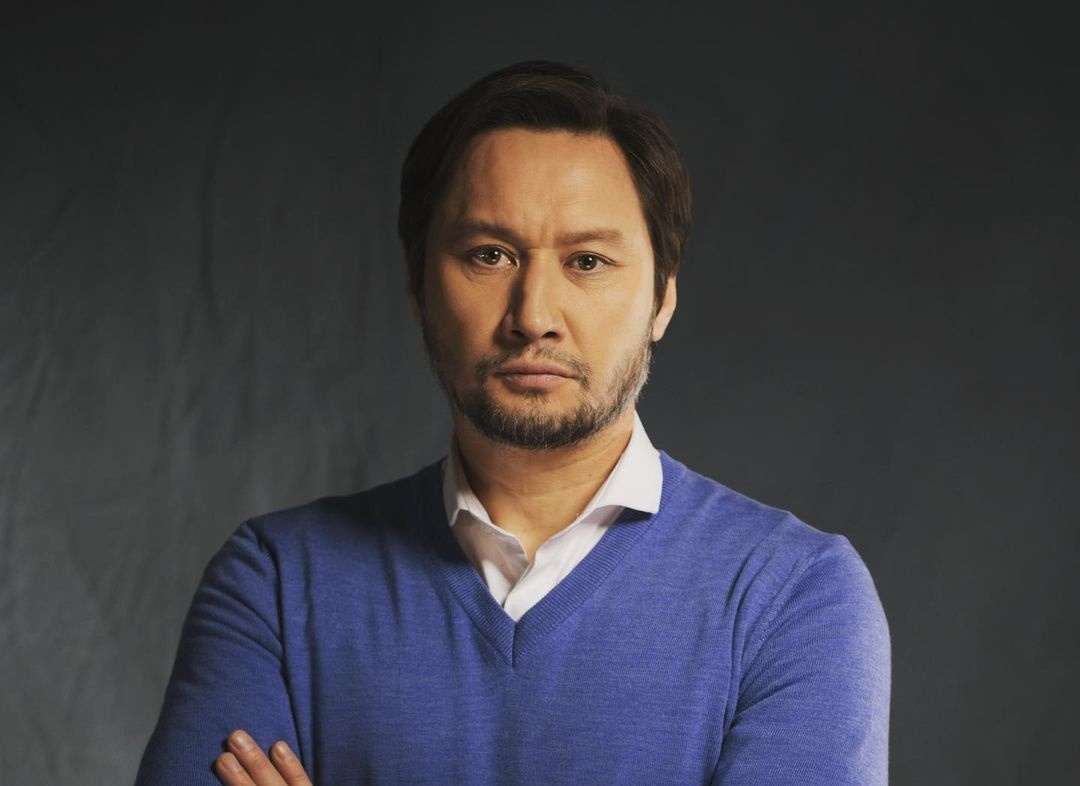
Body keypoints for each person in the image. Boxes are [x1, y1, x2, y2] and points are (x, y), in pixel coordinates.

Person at [135, 61, 890, 786]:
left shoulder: (792, 594)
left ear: (662, 298)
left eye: (587, 261)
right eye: (490, 255)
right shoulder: (276, 580)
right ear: (417, 290)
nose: (534, 316)